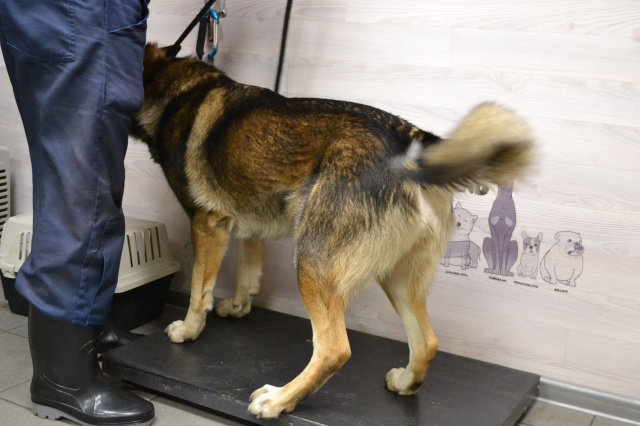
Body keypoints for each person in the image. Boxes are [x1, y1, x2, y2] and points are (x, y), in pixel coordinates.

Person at [0, 1, 155, 425]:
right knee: (83, 185)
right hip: (83, 10)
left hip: (58, 13)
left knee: (75, 169)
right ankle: (63, 380)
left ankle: (88, 329)